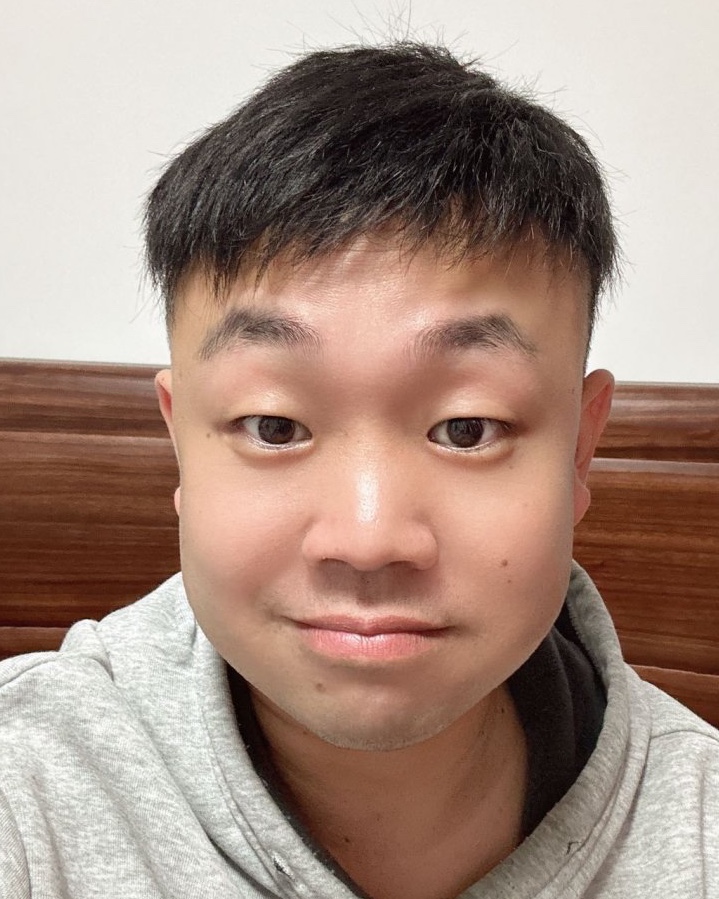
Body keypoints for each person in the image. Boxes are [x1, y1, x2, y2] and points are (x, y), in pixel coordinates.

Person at [1, 41, 717, 899]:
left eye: (466, 429)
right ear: (180, 440)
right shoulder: (27, 786)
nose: (369, 538)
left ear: (577, 451)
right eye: (274, 426)